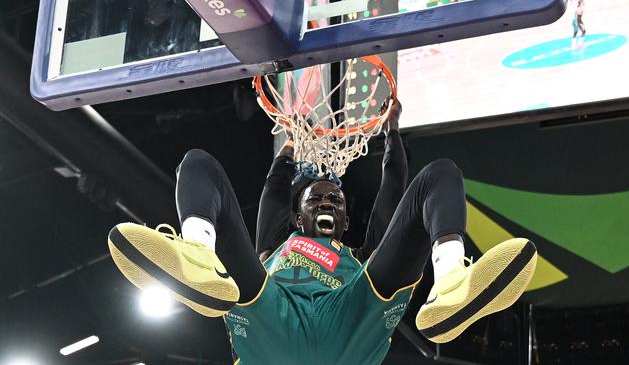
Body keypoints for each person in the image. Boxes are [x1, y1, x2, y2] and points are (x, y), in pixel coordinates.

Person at [108, 98, 537, 365]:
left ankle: (451, 282)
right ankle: (197, 257)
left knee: (440, 173)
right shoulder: (276, 247)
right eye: (316, 198)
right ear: (299, 216)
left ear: (347, 221)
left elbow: (392, 191)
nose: (328, 201)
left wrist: (393, 133)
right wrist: (290, 146)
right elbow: (275, 193)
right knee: (198, 162)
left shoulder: (360, 260)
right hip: (271, 319)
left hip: (349, 321)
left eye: (336, 200)